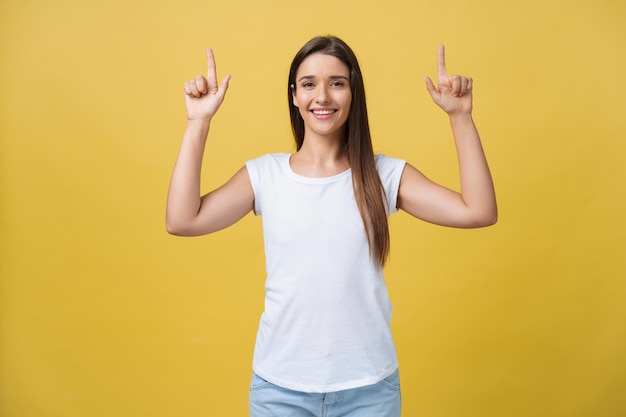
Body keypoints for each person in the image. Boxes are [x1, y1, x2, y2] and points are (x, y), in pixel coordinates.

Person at [166, 35, 497, 417]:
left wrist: (460, 117)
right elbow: (181, 220)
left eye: (336, 83)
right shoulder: (265, 176)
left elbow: (478, 211)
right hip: (280, 391)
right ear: (294, 95)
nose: (322, 96)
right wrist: (198, 122)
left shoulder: (383, 174)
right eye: (309, 84)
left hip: (369, 391)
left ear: (353, 93)